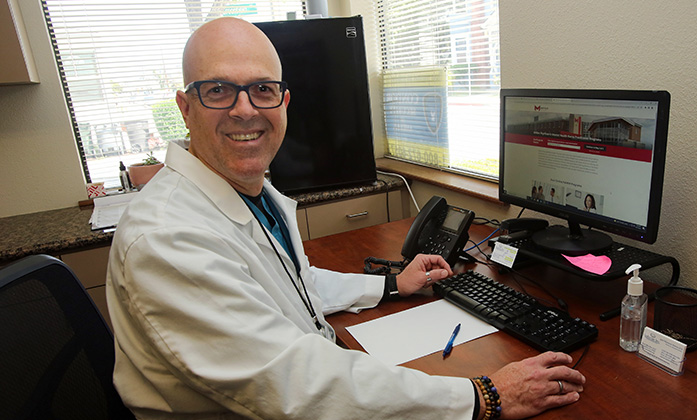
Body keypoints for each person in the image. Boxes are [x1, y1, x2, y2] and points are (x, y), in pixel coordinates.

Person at [106, 17, 585, 420]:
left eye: (262, 89)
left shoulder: (249, 192)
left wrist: (392, 285)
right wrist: (482, 396)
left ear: (284, 104)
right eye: (218, 91)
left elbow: (291, 285)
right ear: (185, 108)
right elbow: (295, 382)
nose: (245, 109)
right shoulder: (168, 236)